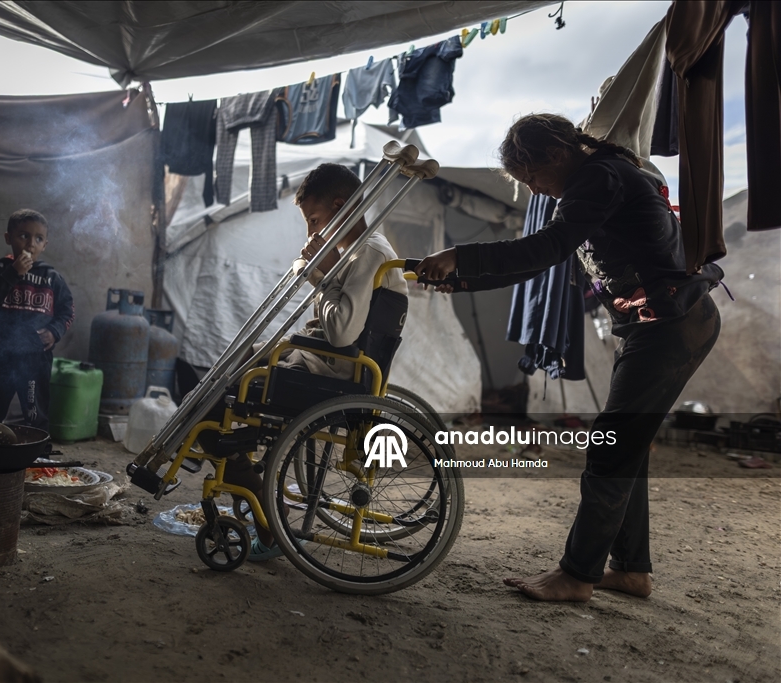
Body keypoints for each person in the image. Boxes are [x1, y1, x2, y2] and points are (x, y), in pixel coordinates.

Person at [415, 114, 723, 601]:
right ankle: (631, 570)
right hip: (658, 324)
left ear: (557, 154)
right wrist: (463, 277)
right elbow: (540, 262)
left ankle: (578, 575)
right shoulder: (596, 180)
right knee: (627, 447)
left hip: (672, 324)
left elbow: (547, 249)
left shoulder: (599, 177)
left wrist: (462, 255)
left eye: (532, 177)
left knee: (611, 446)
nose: (534, 190)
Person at [207, 162, 409, 560]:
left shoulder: (367, 252)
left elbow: (342, 333)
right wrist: (327, 275)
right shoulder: (360, 249)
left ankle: (255, 493)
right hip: (328, 363)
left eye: (314, 221)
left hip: (330, 373)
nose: (311, 234)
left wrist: (323, 277)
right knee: (233, 365)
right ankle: (244, 471)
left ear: (338, 206)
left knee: (221, 398)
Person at [0, 209, 75, 432]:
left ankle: (39, 451)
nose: (31, 244)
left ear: (45, 245)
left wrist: (54, 331)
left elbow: (67, 311)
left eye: (38, 239)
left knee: (35, 411)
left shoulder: (52, 278)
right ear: (8, 238)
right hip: (2, 352)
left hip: (35, 356)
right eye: (24, 236)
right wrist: (13, 272)